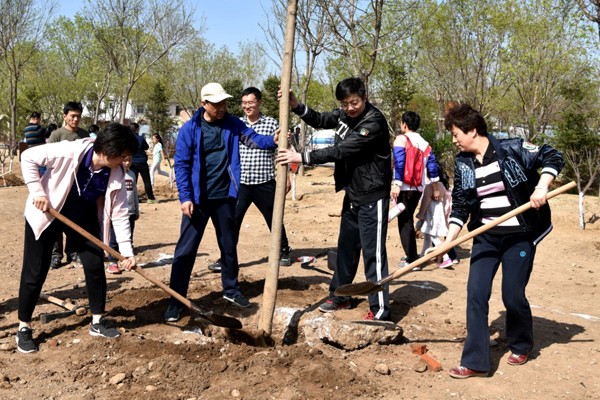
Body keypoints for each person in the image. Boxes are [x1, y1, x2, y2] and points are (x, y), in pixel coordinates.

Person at [441, 104, 564, 378]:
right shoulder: (463, 163)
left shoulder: (511, 148)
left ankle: (521, 343)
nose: (453, 139)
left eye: (456, 133)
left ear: (472, 131)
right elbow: (461, 204)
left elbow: (552, 155)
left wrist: (542, 186)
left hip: (520, 237)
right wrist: (449, 240)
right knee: (476, 293)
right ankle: (475, 362)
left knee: (512, 294)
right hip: (485, 236)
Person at [17, 123, 138, 354]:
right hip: (48, 212)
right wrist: (37, 192)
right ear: (110, 152)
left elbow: (120, 214)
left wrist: (126, 252)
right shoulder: (68, 151)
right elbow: (28, 156)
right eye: (123, 156)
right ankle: (24, 327)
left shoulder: (117, 173)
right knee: (35, 271)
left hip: (82, 217)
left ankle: (97, 321)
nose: (125, 161)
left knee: (94, 264)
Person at [277, 77, 392, 321]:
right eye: (345, 103)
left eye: (354, 102)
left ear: (364, 97)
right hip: (352, 193)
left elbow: (342, 150)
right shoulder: (343, 115)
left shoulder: (373, 122)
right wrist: (296, 106)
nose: (350, 107)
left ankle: (380, 309)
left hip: (373, 196)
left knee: (374, 254)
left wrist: (302, 156)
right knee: (346, 250)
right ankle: (341, 296)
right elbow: (319, 120)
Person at [164, 82, 277, 322]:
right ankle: (175, 300)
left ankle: (232, 290)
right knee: (185, 251)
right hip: (197, 201)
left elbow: (254, 140)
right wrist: (185, 197)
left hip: (225, 197)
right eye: (217, 104)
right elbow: (182, 166)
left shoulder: (233, 124)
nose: (222, 107)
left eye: (224, 103)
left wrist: (274, 141)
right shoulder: (189, 129)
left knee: (228, 246)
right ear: (204, 104)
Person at [208, 87, 291, 273]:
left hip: (265, 181)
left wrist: (287, 177)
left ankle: (284, 251)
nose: (247, 106)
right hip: (241, 184)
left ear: (259, 102)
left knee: (274, 219)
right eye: (244, 103)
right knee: (232, 221)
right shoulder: (236, 123)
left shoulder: (271, 123)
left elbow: (282, 150)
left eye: (251, 103)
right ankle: (225, 258)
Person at [391, 112, 443, 268]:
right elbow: (433, 168)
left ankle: (412, 258)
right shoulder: (425, 143)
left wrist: (396, 184)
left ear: (405, 124)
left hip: (404, 187)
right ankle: (412, 255)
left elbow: (400, 163)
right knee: (407, 219)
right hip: (418, 188)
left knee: (404, 221)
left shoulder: (401, 139)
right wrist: (435, 189)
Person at [47, 102, 90, 269]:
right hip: (58, 185)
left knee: (75, 221)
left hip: (77, 186)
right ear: (65, 116)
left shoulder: (84, 134)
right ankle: (55, 255)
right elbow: (48, 160)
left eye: (78, 116)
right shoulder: (56, 136)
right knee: (56, 220)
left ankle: (73, 252)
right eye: (72, 116)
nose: (75, 119)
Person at [107, 156, 139, 274]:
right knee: (114, 239)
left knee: (128, 237)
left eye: (129, 160)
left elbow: (135, 193)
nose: (127, 163)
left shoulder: (132, 175)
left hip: (130, 212)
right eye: (124, 160)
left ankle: (126, 260)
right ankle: (112, 262)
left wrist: (136, 210)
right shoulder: (114, 175)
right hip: (116, 214)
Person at [414, 179, 454, 270]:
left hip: (431, 214)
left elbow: (426, 201)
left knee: (433, 237)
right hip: (438, 212)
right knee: (427, 237)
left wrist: (421, 214)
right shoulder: (442, 186)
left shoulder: (429, 186)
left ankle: (446, 257)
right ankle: (422, 257)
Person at [129, 122, 156, 204]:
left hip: (132, 162)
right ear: (137, 129)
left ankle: (132, 198)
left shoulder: (128, 139)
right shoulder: (141, 138)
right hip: (142, 162)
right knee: (146, 180)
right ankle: (150, 198)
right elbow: (146, 147)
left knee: (133, 181)